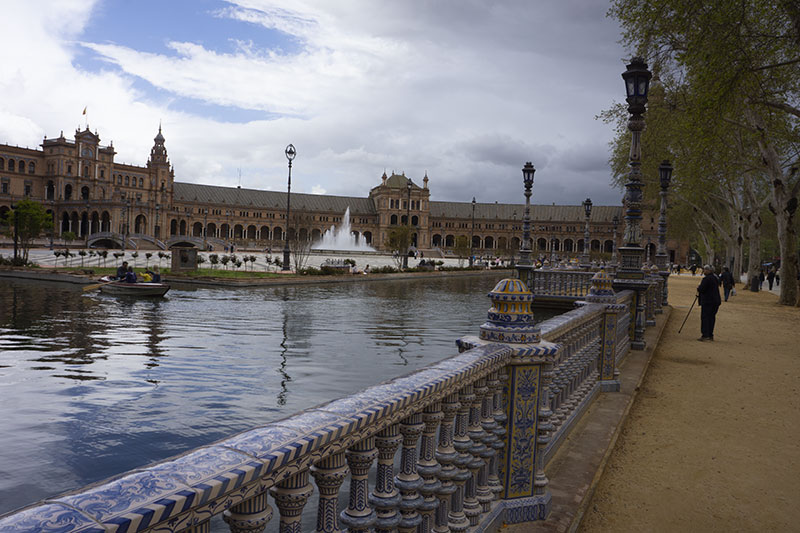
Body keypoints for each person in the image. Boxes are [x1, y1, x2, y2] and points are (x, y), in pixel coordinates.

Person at [697, 264, 721, 341]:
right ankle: (710, 334)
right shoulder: (715, 278)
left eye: (705, 270)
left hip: (708, 301)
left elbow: (701, 289)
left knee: (705, 318)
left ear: (709, 271)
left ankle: (705, 335)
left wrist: (699, 287)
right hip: (715, 301)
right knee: (711, 318)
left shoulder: (706, 279)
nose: (704, 271)